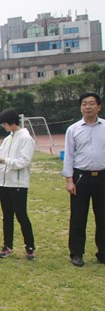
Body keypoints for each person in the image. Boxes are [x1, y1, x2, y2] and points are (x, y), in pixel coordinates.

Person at [62, 92, 105, 267]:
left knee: (103, 216)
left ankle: (102, 252)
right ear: (81, 107)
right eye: (84, 104)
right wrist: (69, 180)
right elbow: (69, 156)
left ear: (99, 107)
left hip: (102, 176)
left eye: (91, 103)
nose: (88, 107)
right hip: (81, 177)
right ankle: (77, 253)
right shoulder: (73, 129)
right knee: (78, 217)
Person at [0, 109, 36, 260]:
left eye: (4, 124)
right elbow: (0, 156)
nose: (3, 127)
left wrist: (4, 161)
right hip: (4, 183)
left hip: (18, 184)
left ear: (11, 122)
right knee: (7, 216)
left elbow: (24, 161)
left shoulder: (26, 138)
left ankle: (30, 247)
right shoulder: (8, 139)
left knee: (21, 215)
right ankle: (7, 246)